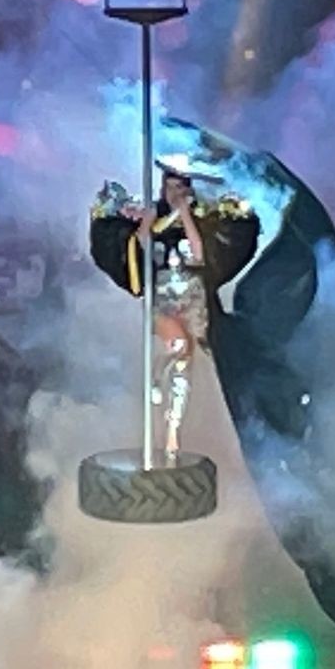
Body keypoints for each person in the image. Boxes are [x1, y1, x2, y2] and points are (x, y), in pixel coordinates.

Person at [89, 164, 260, 459]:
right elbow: (138, 249)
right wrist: (147, 223)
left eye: (180, 187)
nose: (175, 193)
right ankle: (156, 378)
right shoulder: (153, 219)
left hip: (192, 301)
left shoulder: (196, 219)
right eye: (170, 187)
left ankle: (172, 435)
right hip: (164, 301)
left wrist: (185, 214)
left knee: (185, 370)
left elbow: (199, 254)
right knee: (178, 346)